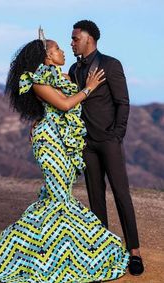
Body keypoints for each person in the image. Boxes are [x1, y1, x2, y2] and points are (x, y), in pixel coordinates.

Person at [0, 34, 129, 282]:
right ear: (46, 56)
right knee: (58, 198)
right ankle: (49, 253)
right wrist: (89, 88)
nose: (63, 51)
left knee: (61, 193)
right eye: (56, 49)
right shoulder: (37, 80)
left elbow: (68, 100)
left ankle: (63, 249)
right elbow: (64, 104)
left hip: (65, 142)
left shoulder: (63, 77)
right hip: (49, 142)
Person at [69, 20, 144, 276]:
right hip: (86, 144)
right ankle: (103, 249)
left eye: (75, 38)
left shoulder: (110, 65)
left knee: (122, 194)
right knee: (95, 195)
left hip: (109, 141)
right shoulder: (74, 68)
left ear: (89, 39)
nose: (72, 43)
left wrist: (117, 135)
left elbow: (123, 102)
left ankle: (134, 251)